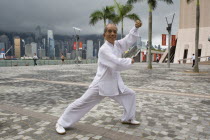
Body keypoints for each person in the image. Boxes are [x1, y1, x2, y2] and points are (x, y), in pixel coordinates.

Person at [56, 20, 142, 135]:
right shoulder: (103, 49)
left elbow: (127, 40)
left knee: (130, 94)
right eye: (109, 31)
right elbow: (116, 63)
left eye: (114, 32)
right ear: (104, 35)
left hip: (114, 83)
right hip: (100, 84)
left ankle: (128, 118)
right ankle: (61, 123)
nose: (112, 34)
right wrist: (129, 61)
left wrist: (135, 28)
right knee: (82, 102)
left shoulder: (117, 44)